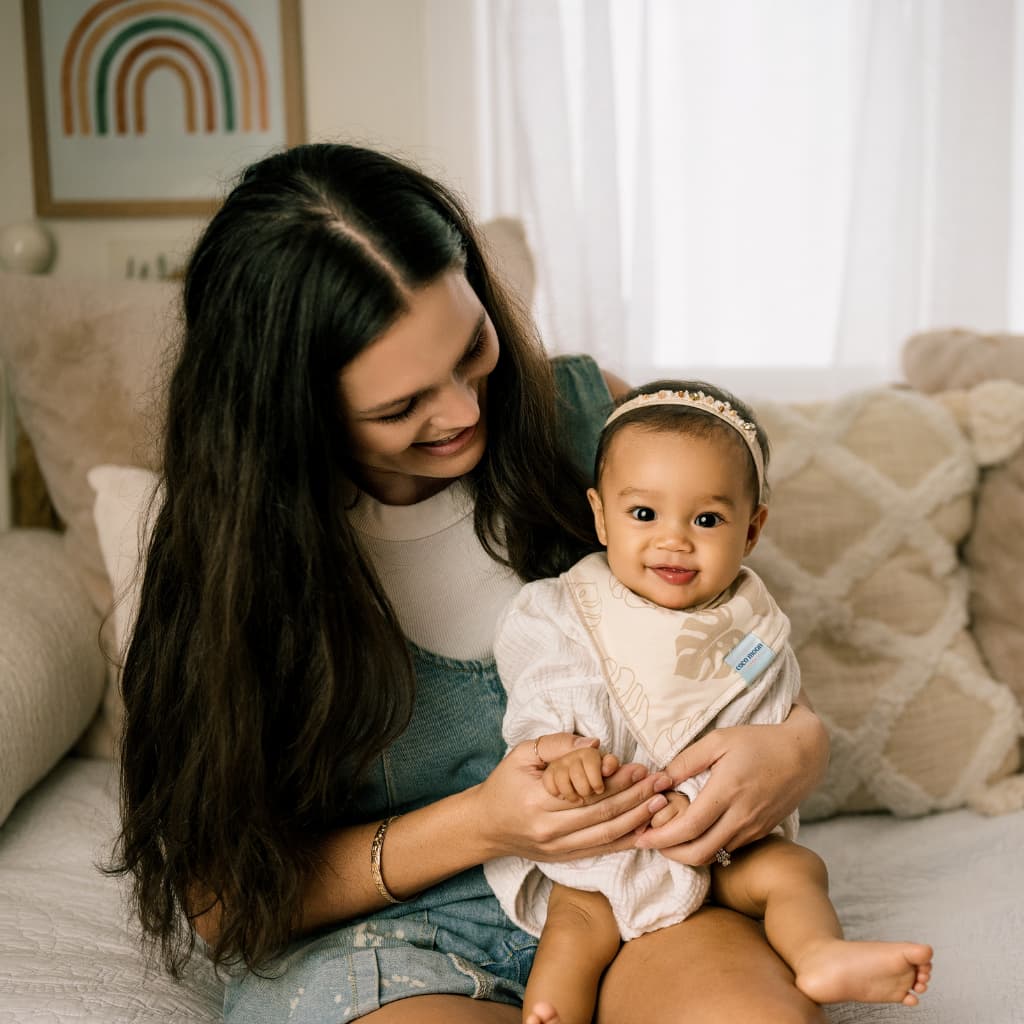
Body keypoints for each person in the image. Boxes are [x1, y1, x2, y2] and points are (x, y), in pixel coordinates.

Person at [112, 143, 833, 1024]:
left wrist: (800, 750)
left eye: (472, 350)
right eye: (399, 406)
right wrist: (486, 824)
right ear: (288, 409)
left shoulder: (588, 423)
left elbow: (732, 632)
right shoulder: (238, 569)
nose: (461, 411)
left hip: (639, 889)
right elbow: (223, 904)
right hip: (397, 936)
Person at [485, 380, 934, 1024]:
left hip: (721, 844)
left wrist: (707, 801)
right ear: (600, 514)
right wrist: (563, 757)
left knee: (793, 871)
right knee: (575, 925)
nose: (674, 541)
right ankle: (551, 1011)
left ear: (751, 531)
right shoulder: (565, 610)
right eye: (644, 514)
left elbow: (768, 719)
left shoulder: (750, 631)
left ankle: (820, 952)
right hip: (607, 841)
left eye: (706, 519)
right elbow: (540, 699)